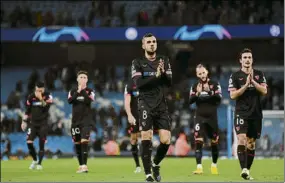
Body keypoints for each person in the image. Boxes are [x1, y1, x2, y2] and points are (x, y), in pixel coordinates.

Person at [131, 33, 172, 182]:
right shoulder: (137, 62)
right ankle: (148, 173)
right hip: (145, 104)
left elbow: (169, 83)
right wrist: (155, 76)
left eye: (154, 41)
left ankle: (155, 164)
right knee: (146, 137)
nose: (152, 44)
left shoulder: (164, 60)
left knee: (166, 140)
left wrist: (162, 74)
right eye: (148, 42)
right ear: (143, 45)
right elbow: (139, 84)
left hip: (161, 104)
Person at [228, 48, 267, 180]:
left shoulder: (259, 75)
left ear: (252, 60)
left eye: (249, 57)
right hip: (241, 113)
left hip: (255, 113)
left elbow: (264, 91)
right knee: (242, 139)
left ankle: (247, 171)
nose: (247, 60)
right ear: (240, 60)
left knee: (251, 143)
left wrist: (253, 82)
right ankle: (243, 168)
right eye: (245, 57)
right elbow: (233, 95)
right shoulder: (234, 76)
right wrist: (245, 86)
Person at [189, 64, 222, 175]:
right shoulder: (195, 86)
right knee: (198, 141)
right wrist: (198, 93)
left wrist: (210, 92)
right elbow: (190, 100)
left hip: (212, 117)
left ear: (207, 72)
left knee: (214, 142)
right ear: (197, 75)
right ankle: (199, 167)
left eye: (203, 72)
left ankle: (214, 165)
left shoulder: (215, 84)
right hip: (199, 116)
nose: (202, 75)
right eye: (200, 73)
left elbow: (219, 98)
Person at [68, 70, 95, 173]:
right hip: (75, 122)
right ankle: (81, 165)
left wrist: (83, 90)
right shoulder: (72, 91)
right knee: (77, 144)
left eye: (85, 77)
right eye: (81, 77)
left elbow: (89, 101)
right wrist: (78, 91)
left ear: (87, 80)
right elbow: (70, 101)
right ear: (77, 79)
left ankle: (84, 166)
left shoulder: (90, 91)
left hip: (86, 121)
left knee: (84, 141)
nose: (83, 79)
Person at [21, 81, 53, 170]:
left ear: (43, 89)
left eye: (40, 90)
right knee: (29, 142)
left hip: (43, 124)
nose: (39, 92)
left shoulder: (48, 96)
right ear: (35, 88)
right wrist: (24, 121)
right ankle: (35, 159)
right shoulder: (31, 97)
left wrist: (41, 98)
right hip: (33, 124)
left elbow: (46, 107)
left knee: (41, 144)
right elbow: (27, 111)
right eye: (37, 90)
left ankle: (39, 163)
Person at [124, 80, 141, 173]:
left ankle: (149, 162)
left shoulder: (147, 82)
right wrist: (129, 115)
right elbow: (127, 102)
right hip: (134, 116)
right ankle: (138, 165)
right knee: (134, 140)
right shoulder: (130, 85)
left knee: (147, 137)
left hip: (145, 116)